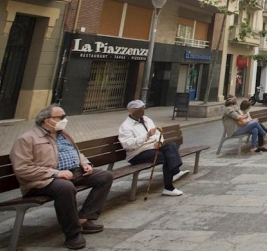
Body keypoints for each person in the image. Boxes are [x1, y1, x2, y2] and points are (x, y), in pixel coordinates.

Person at [10, 105, 113, 249]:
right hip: (42, 180)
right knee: (65, 188)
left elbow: (76, 152)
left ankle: (83, 219)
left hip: (72, 172)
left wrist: (85, 163)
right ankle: (73, 233)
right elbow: (23, 169)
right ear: (47, 120)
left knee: (105, 176)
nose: (65, 120)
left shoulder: (62, 134)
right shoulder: (27, 139)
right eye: (62, 117)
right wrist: (55, 173)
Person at [118, 100, 189, 197]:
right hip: (137, 153)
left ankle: (175, 172)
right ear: (131, 111)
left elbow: (157, 132)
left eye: (143, 108)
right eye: (138, 109)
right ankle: (169, 186)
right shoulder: (126, 126)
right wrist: (146, 136)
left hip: (152, 147)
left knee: (171, 145)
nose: (142, 111)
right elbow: (128, 145)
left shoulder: (147, 120)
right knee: (165, 157)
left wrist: (159, 141)